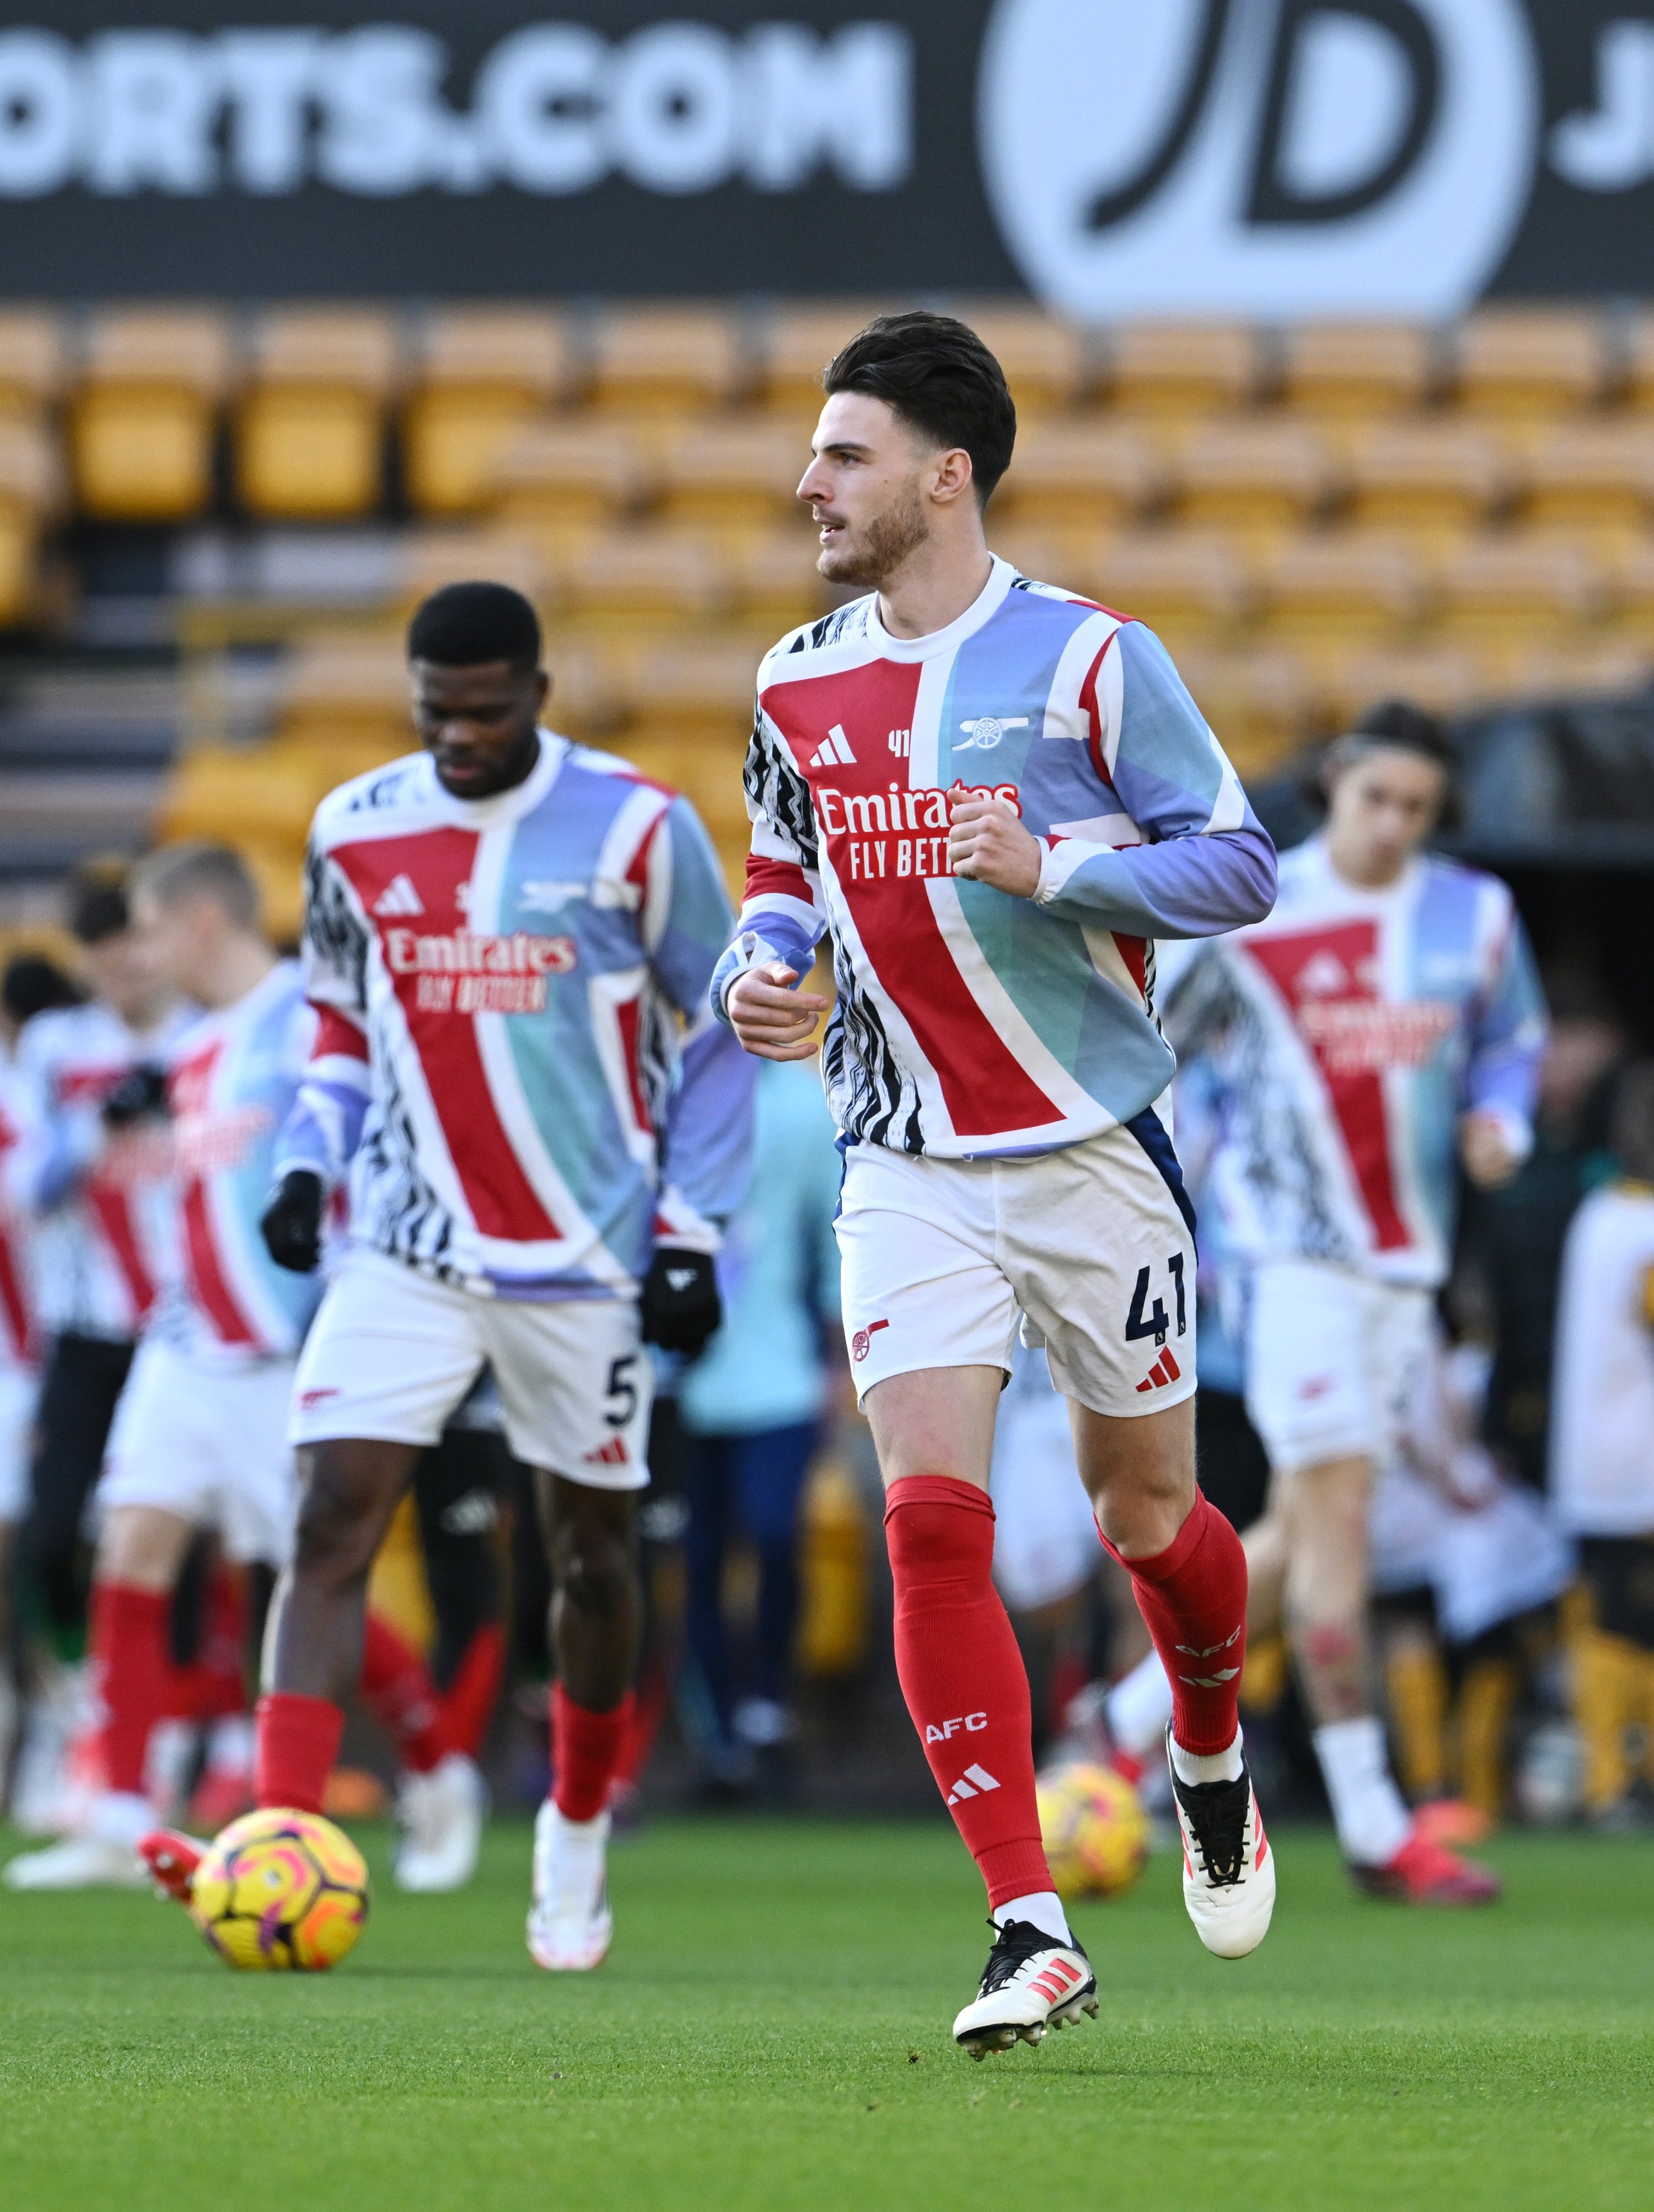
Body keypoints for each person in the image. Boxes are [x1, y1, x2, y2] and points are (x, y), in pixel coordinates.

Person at [715, 311, 1279, 2058]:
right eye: (817, 453)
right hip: (905, 1156)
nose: (812, 482)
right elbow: (781, 864)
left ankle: (1207, 1746)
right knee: (929, 1518)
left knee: (1144, 1520)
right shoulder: (792, 679)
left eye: (847, 455)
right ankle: (1029, 1925)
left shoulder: (1096, 661)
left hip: (1090, 1148)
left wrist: (1055, 864)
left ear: (945, 476)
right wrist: (763, 960)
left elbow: (1244, 861)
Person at [146, 582, 753, 1968]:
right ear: (413, 700)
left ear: (537, 692)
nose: (462, 735)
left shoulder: (642, 830)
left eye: (488, 710)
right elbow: (343, 1023)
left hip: (585, 1261)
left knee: (590, 1558)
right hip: (408, 1248)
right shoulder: (354, 827)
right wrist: (308, 1162)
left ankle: (578, 1824)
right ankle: (280, 1834)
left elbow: (717, 1032)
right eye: (439, 713)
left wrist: (694, 1232)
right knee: (329, 1517)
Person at [1162, 701, 1546, 1902]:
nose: (1394, 825)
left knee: (1309, 1521)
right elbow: (1158, 1052)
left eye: (1418, 808)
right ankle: (1374, 1819)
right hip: (1294, 1264)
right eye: (1378, 798)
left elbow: (1512, 1042)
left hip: (1406, 1272)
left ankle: (1122, 1722)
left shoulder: (1473, 914)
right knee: (1340, 1522)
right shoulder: (1253, 907)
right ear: (1336, 783)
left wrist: (1503, 1118)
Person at [4, 844, 321, 1887]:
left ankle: (411, 1759)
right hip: (176, 1342)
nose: (133, 955)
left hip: (284, 1354)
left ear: (190, 926)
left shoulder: (309, 1016)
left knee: (312, 1572)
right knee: (125, 1547)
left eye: (145, 929)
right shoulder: (162, 1051)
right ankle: (122, 1818)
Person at [7, 873, 192, 1833]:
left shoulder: (207, 1029)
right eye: (101, 950)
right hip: (84, 1332)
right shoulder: (55, 1047)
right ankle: (84, 1712)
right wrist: (101, 1121)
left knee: (189, 1545)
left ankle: (178, 1739)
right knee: (49, 1541)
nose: (122, 964)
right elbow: (26, 1185)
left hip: (185, 1323)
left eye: (133, 942)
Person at [678, 1055, 843, 1794]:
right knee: (699, 1556)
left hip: (777, 1369)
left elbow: (832, 1230)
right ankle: (719, 1732)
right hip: (681, 1369)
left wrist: (840, 1359)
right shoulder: (673, 1092)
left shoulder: (806, 1107)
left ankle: (768, 1704)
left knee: (776, 1534)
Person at [1550, 1059, 1654, 1825]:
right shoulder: (1643, 1228)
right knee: (1626, 1618)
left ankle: (1612, 1779)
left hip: (1593, 1453)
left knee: (1611, 1614)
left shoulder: (1595, 1214)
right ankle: (1614, 1784)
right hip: (1636, 1457)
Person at [0, 957, 84, 1798]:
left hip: (41, 1361)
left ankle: (57, 1734)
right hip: (32, 1363)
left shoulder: (36, 1089)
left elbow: (36, 1200)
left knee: (48, 1548)